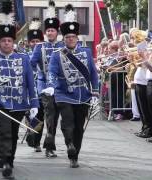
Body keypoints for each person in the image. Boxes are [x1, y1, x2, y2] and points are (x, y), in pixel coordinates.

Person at [0, 1, 39, 178]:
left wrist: (33, 103)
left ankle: (6, 158)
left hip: (18, 104)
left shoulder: (24, 59)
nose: (6, 43)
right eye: (3, 40)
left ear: (13, 41)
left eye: (9, 40)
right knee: (3, 131)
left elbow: (30, 83)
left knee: (11, 133)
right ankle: (6, 162)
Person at [48, 4, 99, 168]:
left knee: (79, 127)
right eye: (68, 37)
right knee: (67, 122)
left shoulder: (86, 52)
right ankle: (69, 144)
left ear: (77, 38)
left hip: (83, 95)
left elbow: (92, 73)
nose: (70, 39)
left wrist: (95, 92)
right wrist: (52, 85)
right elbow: (52, 72)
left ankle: (75, 153)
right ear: (64, 39)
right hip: (64, 94)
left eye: (73, 37)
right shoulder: (57, 55)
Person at [30, 0, 64, 158]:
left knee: (52, 118)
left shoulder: (64, 47)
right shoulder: (39, 47)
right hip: (43, 87)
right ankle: (36, 139)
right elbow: (31, 65)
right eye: (48, 30)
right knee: (41, 116)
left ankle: (47, 144)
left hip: (60, 89)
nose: (50, 33)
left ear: (57, 32)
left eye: (52, 30)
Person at [26, 17, 45, 152]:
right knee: (29, 115)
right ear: (28, 43)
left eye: (37, 41)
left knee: (40, 115)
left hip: (39, 91)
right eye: (32, 41)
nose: (35, 43)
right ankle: (31, 134)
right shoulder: (23, 55)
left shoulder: (45, 55)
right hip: (26, 91)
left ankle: (36, 141)